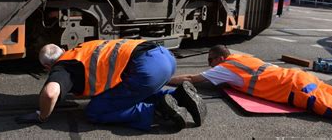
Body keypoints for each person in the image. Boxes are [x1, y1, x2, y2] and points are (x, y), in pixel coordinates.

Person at [15, 39, 207, 131]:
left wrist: (42, 115)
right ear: (63, 49)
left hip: (146, 70)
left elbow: (50, 94)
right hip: (164, 56)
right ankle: (178, 96)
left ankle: (156, 110)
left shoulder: (62, 67)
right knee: (126, 93)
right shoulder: (82, 48)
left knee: (94, 111)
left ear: (48, 66)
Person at [169, 45, 332, 126]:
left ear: (220, 58)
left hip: (296, 90)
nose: (210, 65)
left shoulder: (225, 68)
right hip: (301, 78)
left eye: (210, 60)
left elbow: (191, 78)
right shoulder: (243, 59)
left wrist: (166, 80)